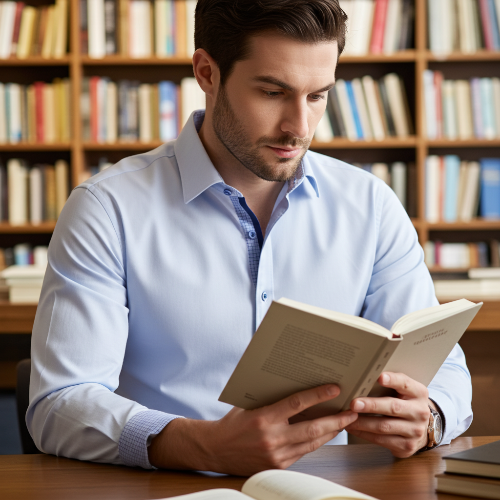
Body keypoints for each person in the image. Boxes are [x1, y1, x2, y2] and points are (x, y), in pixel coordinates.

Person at [27, 0, 472, 476]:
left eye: (318, 96)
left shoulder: (371, 206)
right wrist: (201, 445)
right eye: (273, 92)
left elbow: (444, 368)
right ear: (207, 73)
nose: (298, 127)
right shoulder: (106, 209)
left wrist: (428, 418)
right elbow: (58, 404)